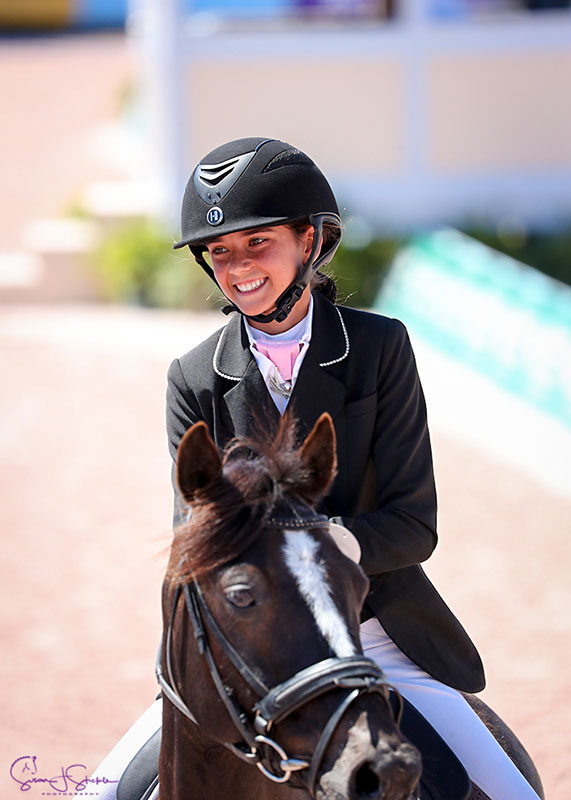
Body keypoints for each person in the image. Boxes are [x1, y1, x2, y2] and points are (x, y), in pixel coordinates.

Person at [85, 137, 540, 800]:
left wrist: (331, 544)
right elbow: (195, 542)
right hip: (255, 647)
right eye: (219, 252)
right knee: (95, 793)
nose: (237, 268)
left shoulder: (380, 348)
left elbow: (413, 524)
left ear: (308, 241)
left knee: (510, 794)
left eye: (257, 243)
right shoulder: (191, 376)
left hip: (374, 631)